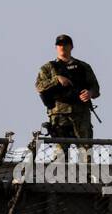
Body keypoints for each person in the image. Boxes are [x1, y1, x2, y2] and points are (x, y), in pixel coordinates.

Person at [34, 34, 100, 164]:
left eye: (65, 44)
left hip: (81, 114)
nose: (62, 47)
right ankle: (60, 181)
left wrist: (89, 93)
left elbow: (96, 89)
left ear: (71, 46)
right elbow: (39, 87)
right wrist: (56, 79)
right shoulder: (48, 68)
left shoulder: (83, 66)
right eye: (60, 44)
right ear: (56, 47)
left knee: (86, 152)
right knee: (60, 153)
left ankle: (86, 180)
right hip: (59, 115)